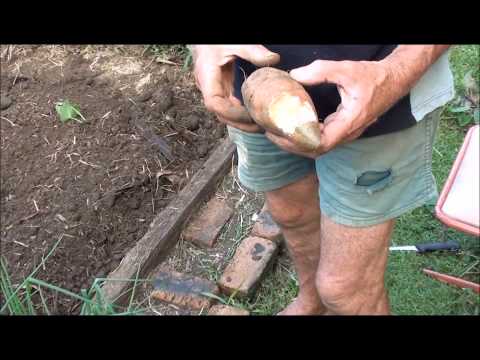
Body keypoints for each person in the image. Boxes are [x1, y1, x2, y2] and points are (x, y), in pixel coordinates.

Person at [191, 45, 454, 315]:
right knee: (292, 215)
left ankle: (335, 298)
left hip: (379, 87)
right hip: (257, 87)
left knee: (344, 290)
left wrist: (395, 72)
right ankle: (312, 302)